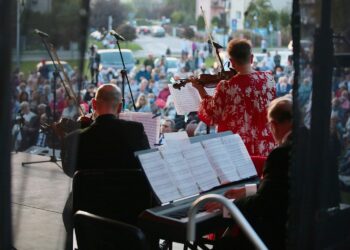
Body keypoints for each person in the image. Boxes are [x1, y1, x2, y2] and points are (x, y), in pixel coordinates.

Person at [60, 84, 150, 248]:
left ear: (93, 105)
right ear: (120, 107)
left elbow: (69, 171)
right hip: (129, 210)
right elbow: (146, 165)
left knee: (68, 210)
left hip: (88, 211)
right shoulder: (136, 130)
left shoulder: (76, 138)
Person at [207, 96, 296, 250]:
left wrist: (228, 206)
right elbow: (280, 186)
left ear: (273, 124)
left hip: (280, 238)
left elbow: (262, 204)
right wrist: (248, 190)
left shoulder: (282, 154)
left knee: (223, 247)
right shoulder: (314, 145)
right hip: (307, 234)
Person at [192, 38, 276, 156]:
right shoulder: (268, 79)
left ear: (231, 62)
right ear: (251, 58)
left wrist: (201, 90)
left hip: (239, 149)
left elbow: (212, 114)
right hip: (266, 145)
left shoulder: (226, 86)